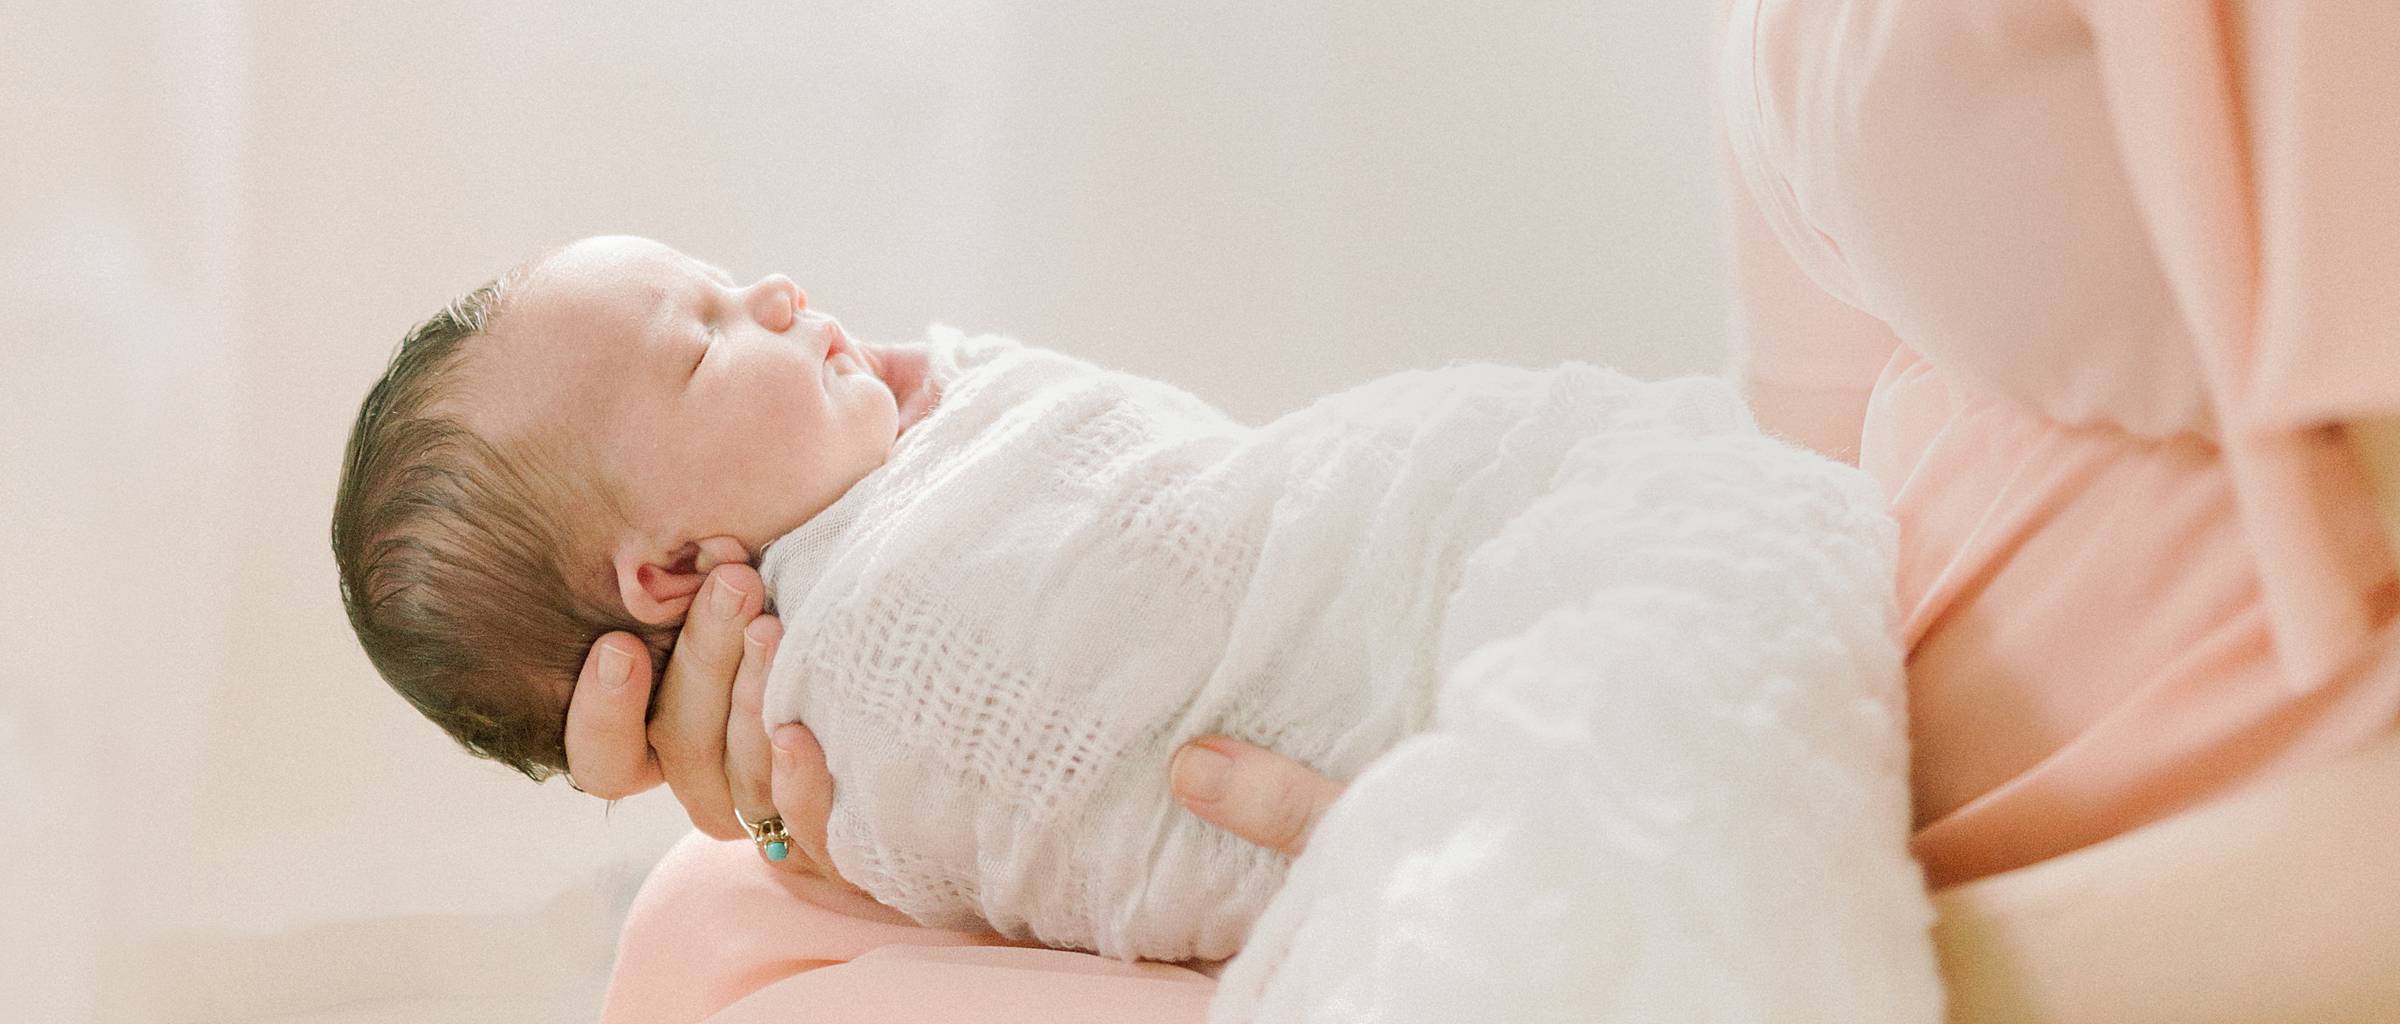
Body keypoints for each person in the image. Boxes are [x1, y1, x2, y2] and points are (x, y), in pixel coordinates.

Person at [566, 0, 2400, 1019]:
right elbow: (1800, 471)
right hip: (1795, 772)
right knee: (739, 920)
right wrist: (904, 727)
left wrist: (1676, 962)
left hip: (2136, 869)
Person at [337, 234, 1898, 968]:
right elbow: (1072, 776)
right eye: (705, 338)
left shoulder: (921, 461)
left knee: (705, 922)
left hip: (1433, 540)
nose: (784, 295)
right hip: (1434, 675)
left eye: (732, 273)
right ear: (670, 573)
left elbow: (1180, 501)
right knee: (703, 912)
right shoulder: (879, 663)